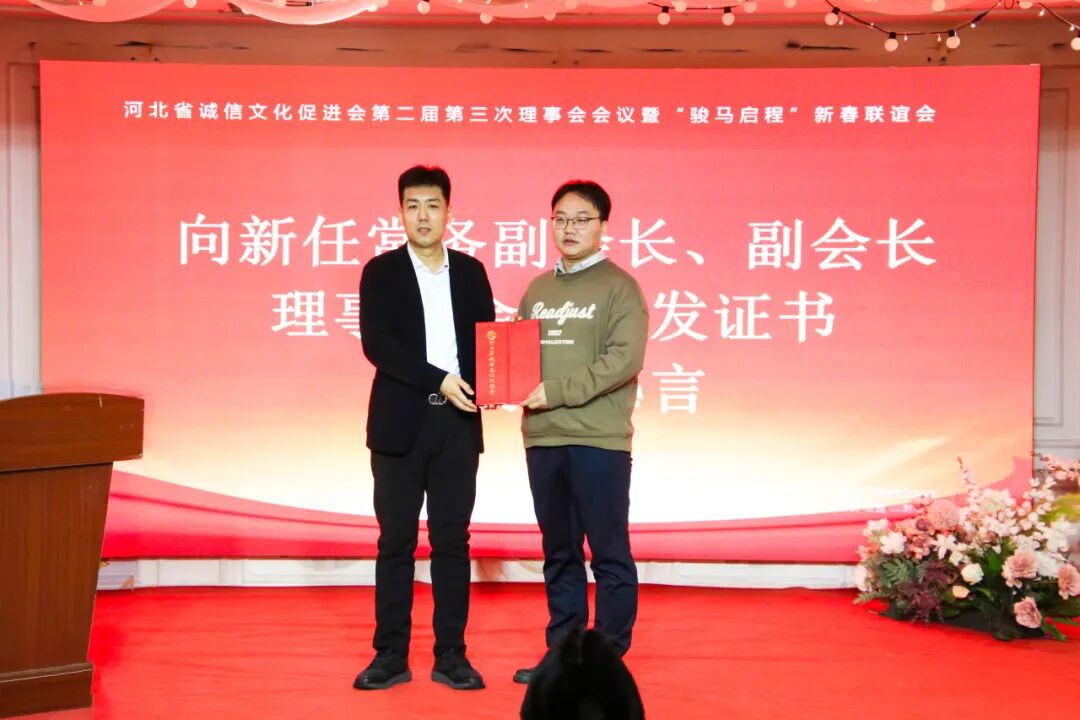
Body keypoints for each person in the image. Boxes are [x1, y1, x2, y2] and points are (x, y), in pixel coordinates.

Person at [353, 165, 494, 691]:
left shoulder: (471, 272)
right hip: (400, 426)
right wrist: (440, 379)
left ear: (449, 212)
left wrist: (496, 384)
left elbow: (487, 342)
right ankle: (390, 654)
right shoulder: (381, 272)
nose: (423, 215)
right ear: (400, 213)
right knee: (395, 541)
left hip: (457, 425)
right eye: (412, 206)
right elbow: (378, 345)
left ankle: (451, 654)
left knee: (452, 541)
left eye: (432, 205)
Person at [513, 180, 649, 684]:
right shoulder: (537, 290)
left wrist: (557, 391)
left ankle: (605, 661)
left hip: (598, 440)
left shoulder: (620, 288)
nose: (569, 229)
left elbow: (624, 359)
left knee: (609, 553)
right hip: (544, 437)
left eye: (581, 219)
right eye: (560, 219)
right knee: (559, 553)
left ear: (603, 226)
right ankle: (562, 657)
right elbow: (516, 358)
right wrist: (502, 383)